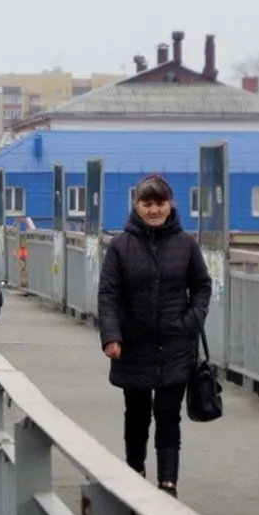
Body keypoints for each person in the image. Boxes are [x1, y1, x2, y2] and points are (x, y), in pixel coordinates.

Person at [96, 174, 212, 498]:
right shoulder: (120, 247)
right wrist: (111, 336)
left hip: (176, 343)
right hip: (133, 344)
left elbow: (202, 285)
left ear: (170, 205)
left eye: (159, 203)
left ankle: (168, 483)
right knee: (136, 414)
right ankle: (135, 472)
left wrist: (192, 320)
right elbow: (108, 294)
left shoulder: (186, 244)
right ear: (137, 205)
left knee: (167, 414)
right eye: (147, 204)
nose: (154, 210)